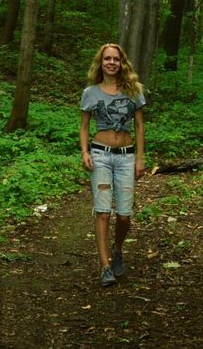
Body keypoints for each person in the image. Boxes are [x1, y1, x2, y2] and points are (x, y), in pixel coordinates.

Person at [79, 42, 146, 287]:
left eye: (115, 59)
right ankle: (105, 265)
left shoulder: (133, 90)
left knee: (125, 215)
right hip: (100, 155)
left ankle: (117, 249)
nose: (111, 63)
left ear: (121, 63)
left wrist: (140, 157)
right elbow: (84, 126)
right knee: (103, 212)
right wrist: (85, 152)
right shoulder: (90, 93)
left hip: (126, 156)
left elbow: (139, 126)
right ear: (101, 62)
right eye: (107, 59)